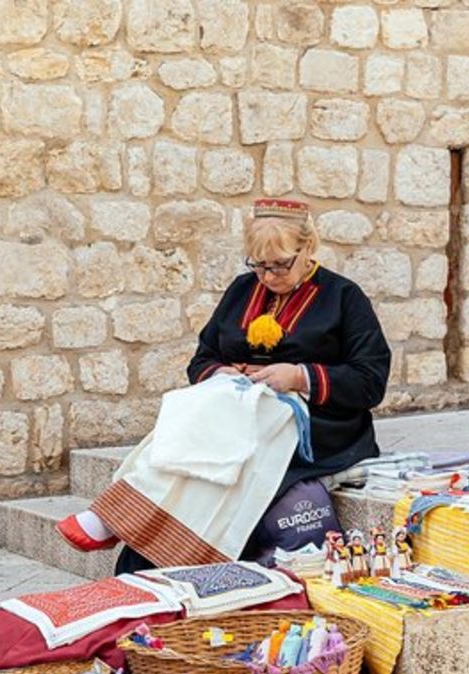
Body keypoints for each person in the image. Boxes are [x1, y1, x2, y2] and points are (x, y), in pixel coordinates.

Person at [57, 198, 392, 576]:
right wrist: (220, 375)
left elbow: (370, 380)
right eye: (259, 265)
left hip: (317, 426)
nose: (268, 277)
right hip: (233, 414)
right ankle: (126, 528)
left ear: (308, 248)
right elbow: (201, 360)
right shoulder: (241, 291)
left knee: (225, 439)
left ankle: (120, 520)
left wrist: (299, 376)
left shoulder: (343, 297)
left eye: (281, 264)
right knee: (186, 427)